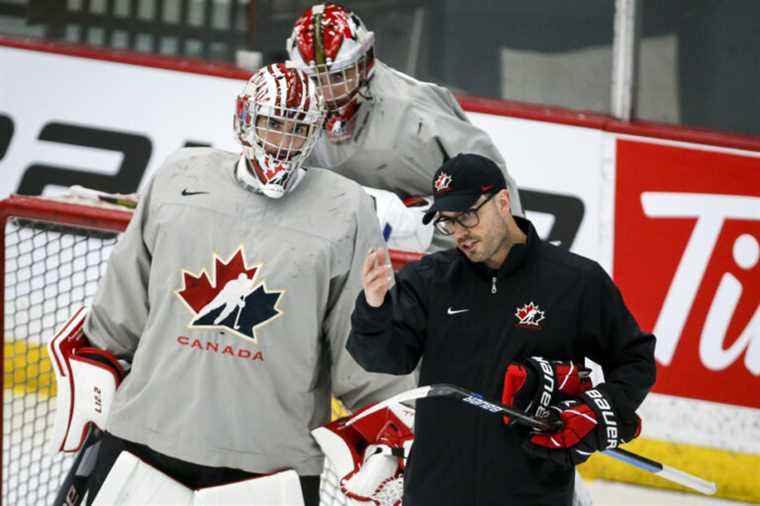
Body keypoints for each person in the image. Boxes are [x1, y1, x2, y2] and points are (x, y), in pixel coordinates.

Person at [49, 62, 414, 506]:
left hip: (269, 463)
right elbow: (122, 306)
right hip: (146, 438)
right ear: (245, 118)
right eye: (273, 124)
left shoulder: (345, 209)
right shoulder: (179, 177)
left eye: (298, 129)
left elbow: (361, 338)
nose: (283, 142)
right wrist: (97, 360)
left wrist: (386, 429)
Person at [347, 153, 657, 505]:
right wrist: (374, 308)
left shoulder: (576, 283)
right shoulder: (430, 280)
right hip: (435, 492)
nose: (459, 233)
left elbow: (636, 360)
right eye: (448, 222)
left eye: (467, 216)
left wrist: (596, 408)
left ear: (503, 202)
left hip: (532, 495)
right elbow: (386, 358)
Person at [286, 3, 524, 251]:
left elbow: (490, 175)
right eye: (314, 79)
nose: (327, 92)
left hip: (436, 252)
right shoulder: (294, 107)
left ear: (364, 61)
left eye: (337, 76)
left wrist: (512, 254)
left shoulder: (415, 108)